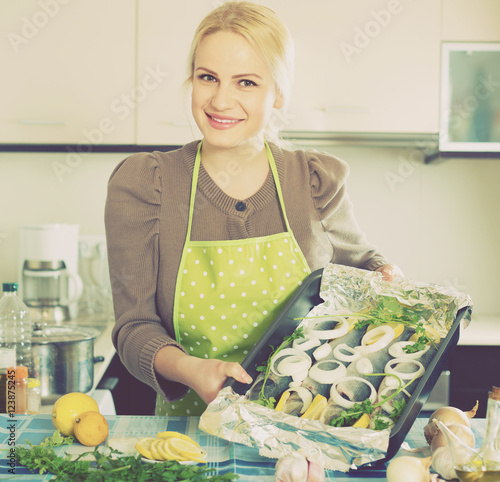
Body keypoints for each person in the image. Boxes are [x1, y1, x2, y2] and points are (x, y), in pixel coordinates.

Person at [104, 1, 403, 417]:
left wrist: (384, 275)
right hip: (190, 436)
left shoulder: (314, 181)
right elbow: (133, 327)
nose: (220, 100)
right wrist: (191, 370)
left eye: (246, 82)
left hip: (302, 433)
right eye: (208, 77)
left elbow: (361, 270)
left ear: (278, 93)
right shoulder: (146, 184)